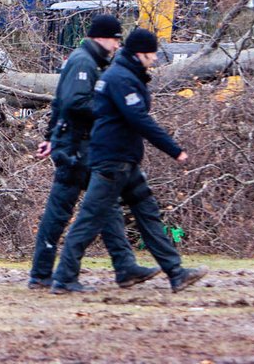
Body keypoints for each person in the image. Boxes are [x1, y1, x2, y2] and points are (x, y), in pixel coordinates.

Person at [51, 29, 207, 294]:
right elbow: (139, 119)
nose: (156, 59)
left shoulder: (126, 75)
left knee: (148, 214)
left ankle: (174, 272)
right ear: (140, 54)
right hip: (112, 160)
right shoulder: (120, 78)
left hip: (125, 159)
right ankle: (64, 278)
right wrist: (173, 149)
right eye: (152, 54)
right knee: (89, 219)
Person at [29, 15, 157, 290]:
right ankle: (44, 274)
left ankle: (124, 267)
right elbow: (74, 102)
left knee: (105, 204)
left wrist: (50, 136)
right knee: (65, 210)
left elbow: (58, 103)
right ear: (101, 37)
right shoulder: (83, 62)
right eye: (114, 40)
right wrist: (111, 108)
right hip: (76, 148)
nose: (116, 46)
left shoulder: (86, 61)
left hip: (78, 145)